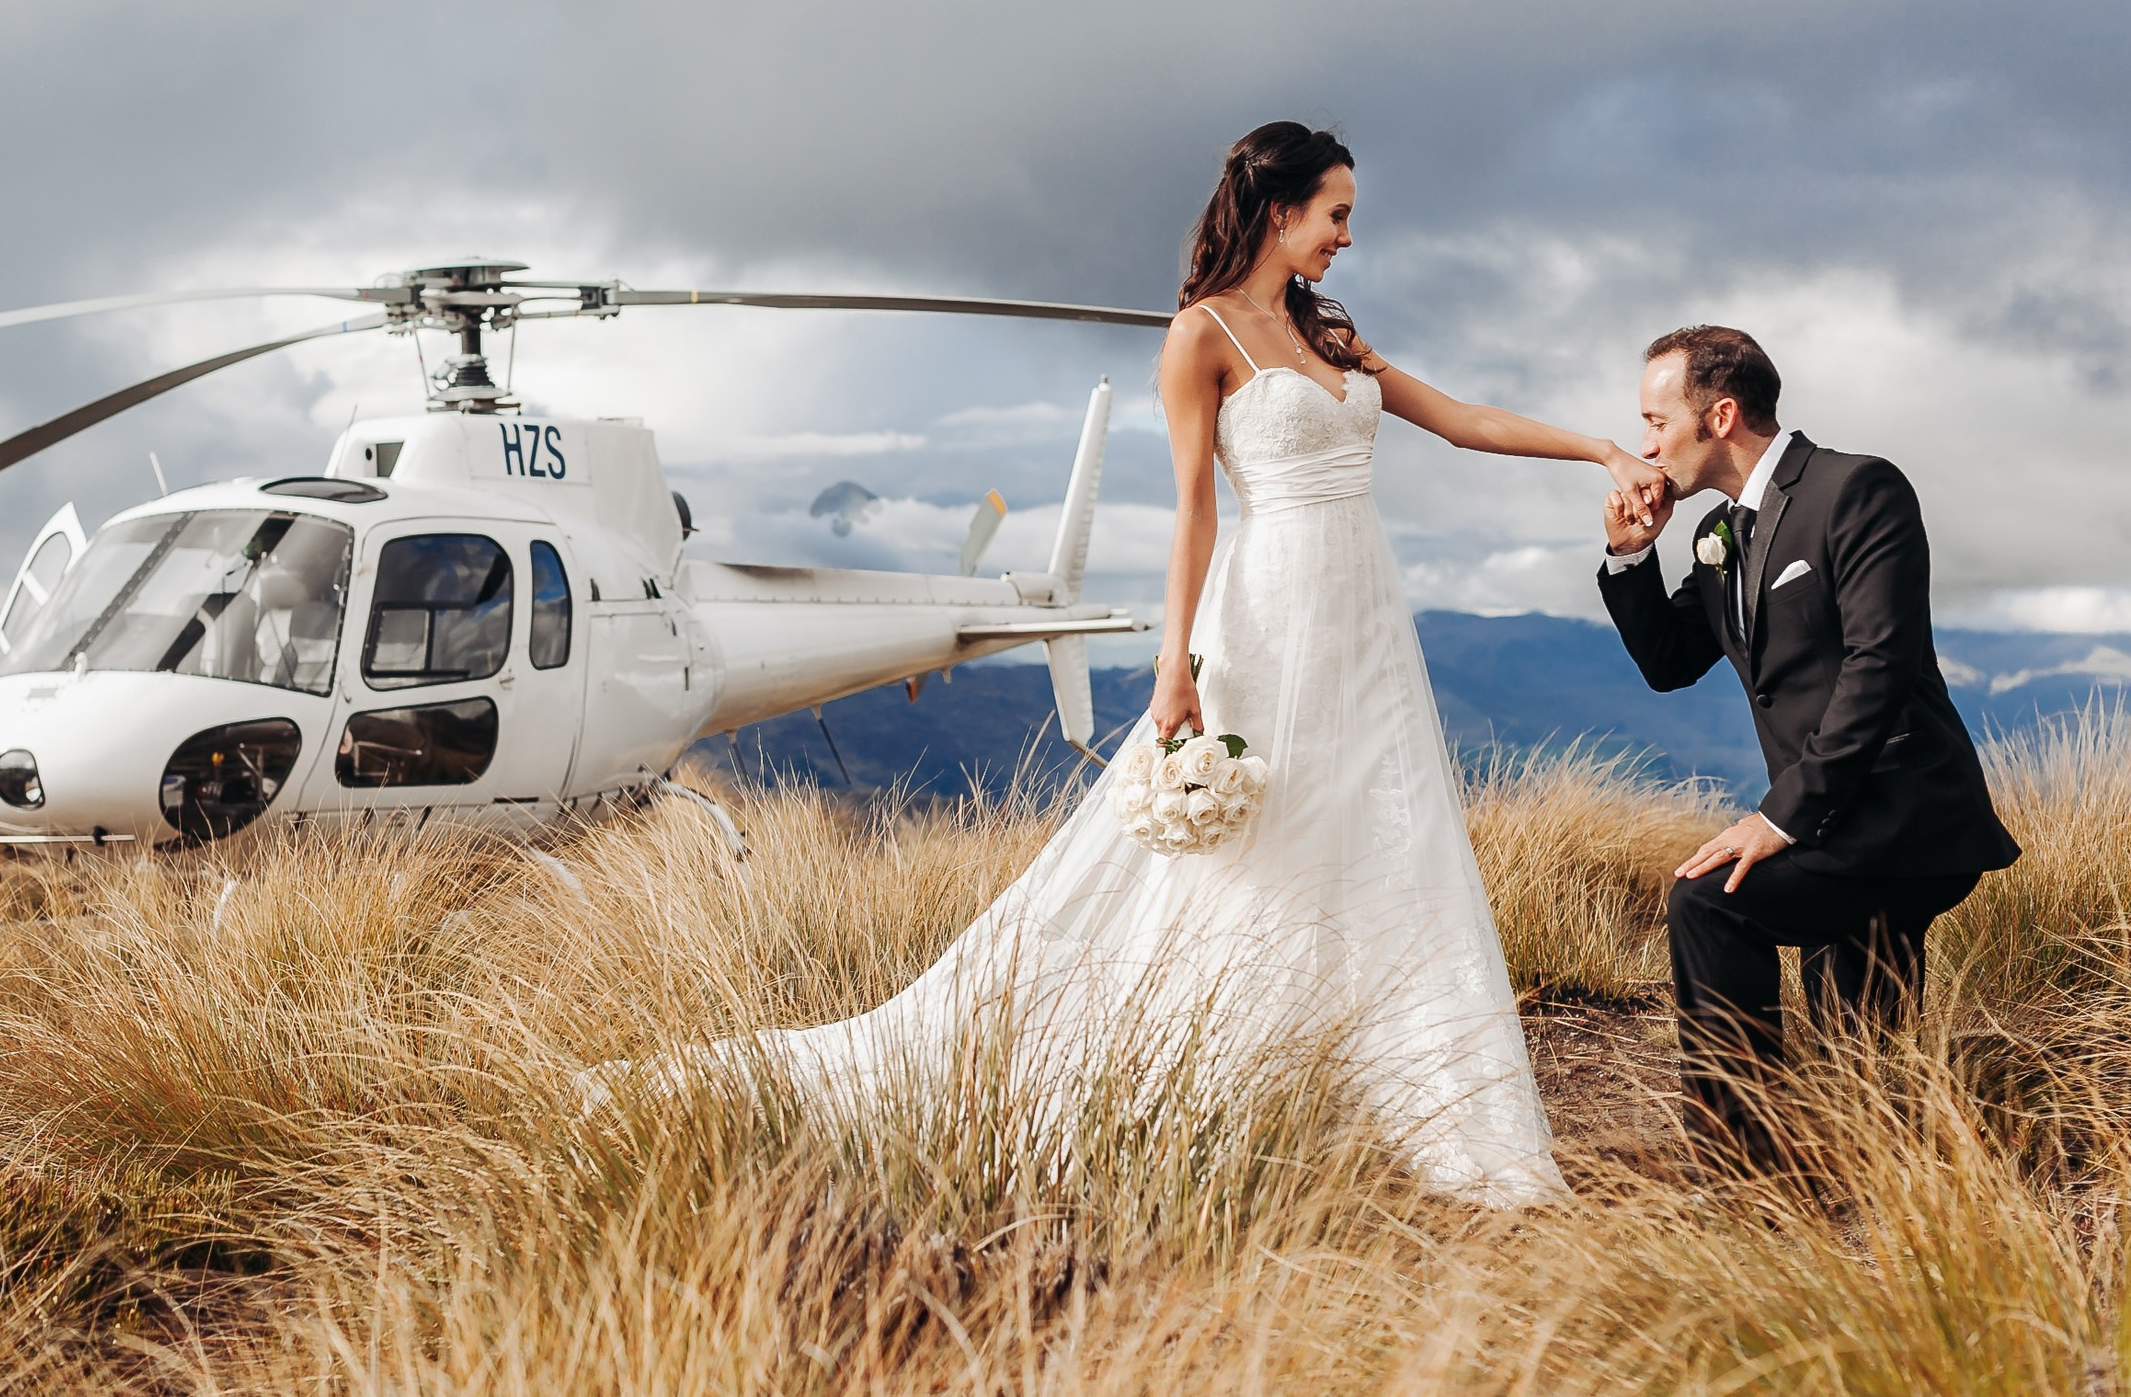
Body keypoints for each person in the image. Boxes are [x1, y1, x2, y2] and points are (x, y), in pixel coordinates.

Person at [642, 122, 1664, 1205]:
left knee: (1380, 823)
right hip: (1267, 614)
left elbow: (1459, 420)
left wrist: (1600, 449)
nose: (1347, 237)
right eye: (1336, 214)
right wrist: (1172, 664)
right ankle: (1223, 1080)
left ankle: (1406, 1076)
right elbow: (1192, 513)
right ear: (1280, 212)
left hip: (1364, 617)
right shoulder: (1199, 336)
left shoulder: (1330, 332)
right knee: (1256, 846)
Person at [1596, 326, 2019, 1173]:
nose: (1643, 444)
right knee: (1856, 1047)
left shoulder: (1856, 489)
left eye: (1653, 419)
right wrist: (1629, 554)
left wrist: (1778, 820)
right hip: (1838, 823)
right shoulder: (1720, 534)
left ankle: (1743, 1166)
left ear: (1719, 414)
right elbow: (1671, 663)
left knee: (1711, 900)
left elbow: (1880, 665)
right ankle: (1870, 1143)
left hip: (1908, 816)